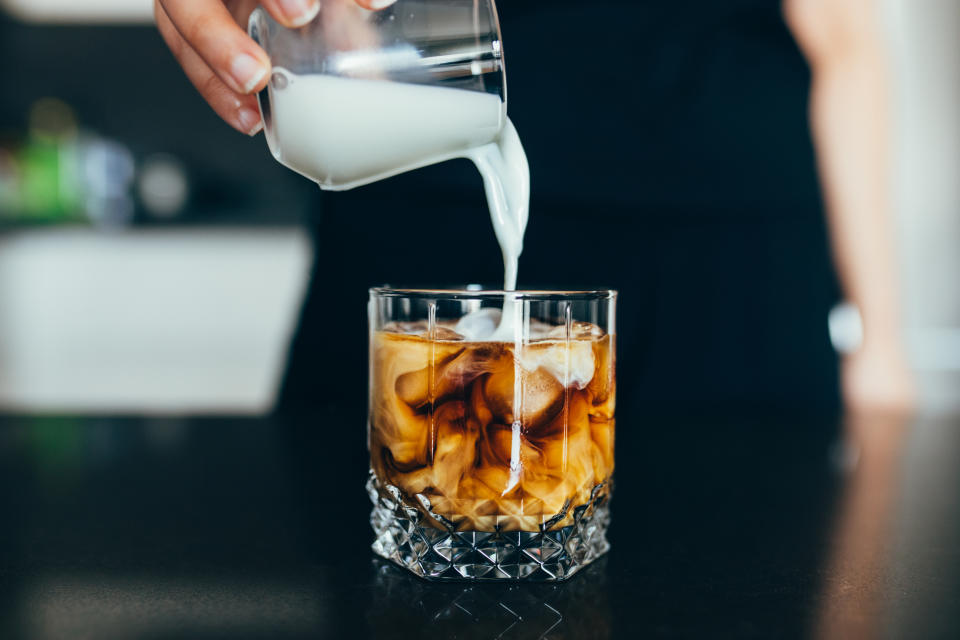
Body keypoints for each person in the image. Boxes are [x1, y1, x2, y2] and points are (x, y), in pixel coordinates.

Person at [155, 0, 914, 418]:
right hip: (423, 238)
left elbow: (846, 41)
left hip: (731, 285)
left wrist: (881, 340)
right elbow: (341, 24)